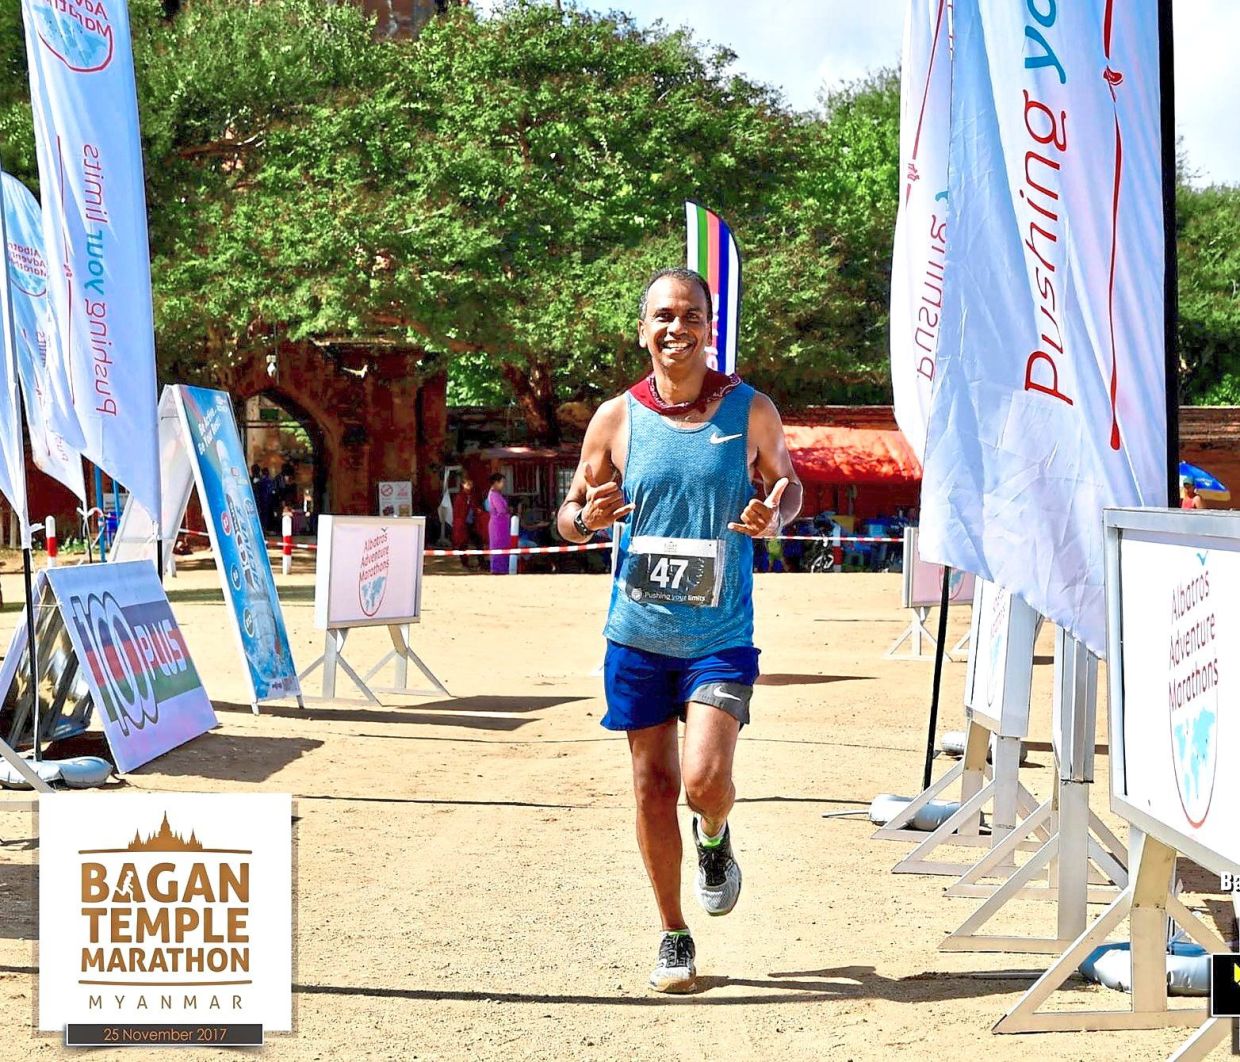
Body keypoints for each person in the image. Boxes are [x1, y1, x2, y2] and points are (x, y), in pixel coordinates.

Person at [556, 267, 801, 994]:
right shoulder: (614, 418)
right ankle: (673, 932)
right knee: (651, 785)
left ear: (707, 328)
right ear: (643, 330)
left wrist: (775, 512)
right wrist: (585, 520)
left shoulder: (751, 409)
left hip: (719, 631)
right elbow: (570, 515)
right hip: (637, 633)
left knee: (704, 780)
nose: (676, 328)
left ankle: (716, 838)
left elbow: (787, 487)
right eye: (662, 316)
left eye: (690, 316)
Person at [484, 473, 511, 575]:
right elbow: (501, 510)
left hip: (502, 525)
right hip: (498, 525)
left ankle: (502, 569)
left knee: (503, 546)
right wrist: (509, 510)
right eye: (502, 482)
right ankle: (498, 569)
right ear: (496, 483)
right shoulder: (494, 495)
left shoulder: (496, 494)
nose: (503, 484)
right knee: (498, 547)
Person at [452, 477, 478, 568]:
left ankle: (479, 562)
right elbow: (458, 512)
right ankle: (464, 563)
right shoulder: (460, 497)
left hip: (471, 522)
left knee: (477, 541)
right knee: (463, 544)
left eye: (471, 484)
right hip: (463, 523)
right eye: (467, 484)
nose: (470, 486)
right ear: (463, 485)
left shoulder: (471, 496)